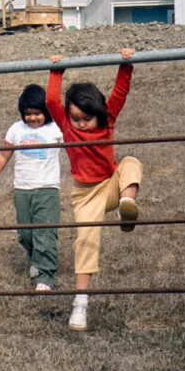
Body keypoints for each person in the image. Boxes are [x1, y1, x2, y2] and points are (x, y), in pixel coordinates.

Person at [46, 49, 143, 331]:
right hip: (85, 195)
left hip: (112, 186)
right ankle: (80, 304)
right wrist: (56, 70)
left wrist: (126, 63)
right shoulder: (67, 126)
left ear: (100, 113)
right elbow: (52, 100)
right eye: (75, 118)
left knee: (132, 162)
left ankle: (128, 204)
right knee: (85, 242)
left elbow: (120, 92)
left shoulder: (109, 118)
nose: (81, 123)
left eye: (87, 118)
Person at [0, 84, 63, 291]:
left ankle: (46, 276)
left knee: (44, 233)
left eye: (37, 113)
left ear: (46, 112)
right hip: (22, 189)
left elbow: (75, 149)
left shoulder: (56, 129)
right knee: (25, 234)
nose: (32, 118)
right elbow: (3, 154)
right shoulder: (16, 129)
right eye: (28, 114)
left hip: (47, 189)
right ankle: (35, 260)